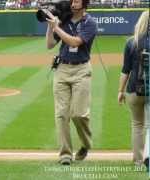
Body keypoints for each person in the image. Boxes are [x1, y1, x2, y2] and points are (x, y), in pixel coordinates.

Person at [45, 0, 98, 165]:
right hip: (62, 69)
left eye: (76, 1)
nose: (72, 4)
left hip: (81, 70)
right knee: (61, 115)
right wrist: (50, 24)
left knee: (79, 114)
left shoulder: (90, 23)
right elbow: (50, 44)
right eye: (72, 1)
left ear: (84, 4)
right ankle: (65, 154)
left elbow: (75, 42)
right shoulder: (64, 19)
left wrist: (56, 27)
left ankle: (86, 143)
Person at [118, 10, 149, 167]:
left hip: (133, 89)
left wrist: (120, 91)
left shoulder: (132, 42)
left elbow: (125, 70)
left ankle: (138, 160)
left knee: (137, 125)